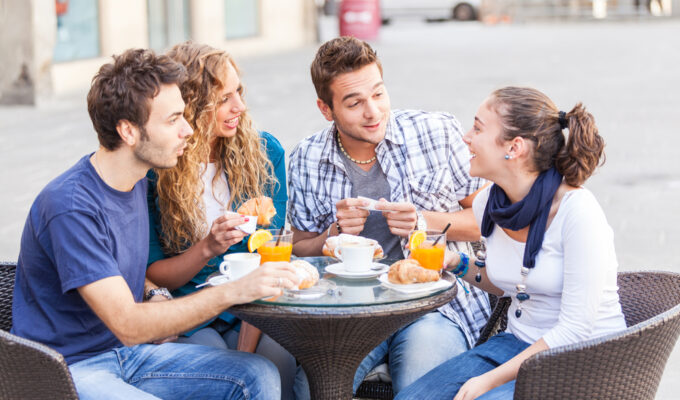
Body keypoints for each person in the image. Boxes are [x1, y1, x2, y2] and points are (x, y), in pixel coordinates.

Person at [11, 48, 300, 400]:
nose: (189, 129)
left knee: (256, 374)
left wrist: (155, 292)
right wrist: (235, 290)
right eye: (173, 119)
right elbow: (130, 324)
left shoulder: (134, 181)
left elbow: (129, 273)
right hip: (67, 369)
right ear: (129, 131)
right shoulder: (71, 207)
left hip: (128, 355)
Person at [287, 36, 491, 395]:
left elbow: (485, 221)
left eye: (378, 94)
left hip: (433, 303)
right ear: (326, 108)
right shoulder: (306, 158)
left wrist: (423, 222)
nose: (373, 112)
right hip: (350, 310)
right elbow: (300, 246)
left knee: (423, 390)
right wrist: (330, 235)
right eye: (354, 103)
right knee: (310, 391)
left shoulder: (435, 132)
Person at [396, 86, 627, 400]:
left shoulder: (577, 213)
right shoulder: (490, 204)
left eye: (478, 128)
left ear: (514, 147)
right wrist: (456, 263)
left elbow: (575, 329)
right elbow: (513, 282)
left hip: (583, 360)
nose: (466, 137)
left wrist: (488, 381)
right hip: (516, 344)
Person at [144, 41, 307, 400]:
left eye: (239, 92)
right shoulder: (160, 170)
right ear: (189, 104)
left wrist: (246, 356)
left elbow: (269, 257)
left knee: (277, 362)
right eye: (223, 99)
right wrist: (208, 248)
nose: (240, 107)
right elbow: (157, 273)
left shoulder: (265, 153)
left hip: (256, 310)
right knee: (213, 365)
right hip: (192, 309)